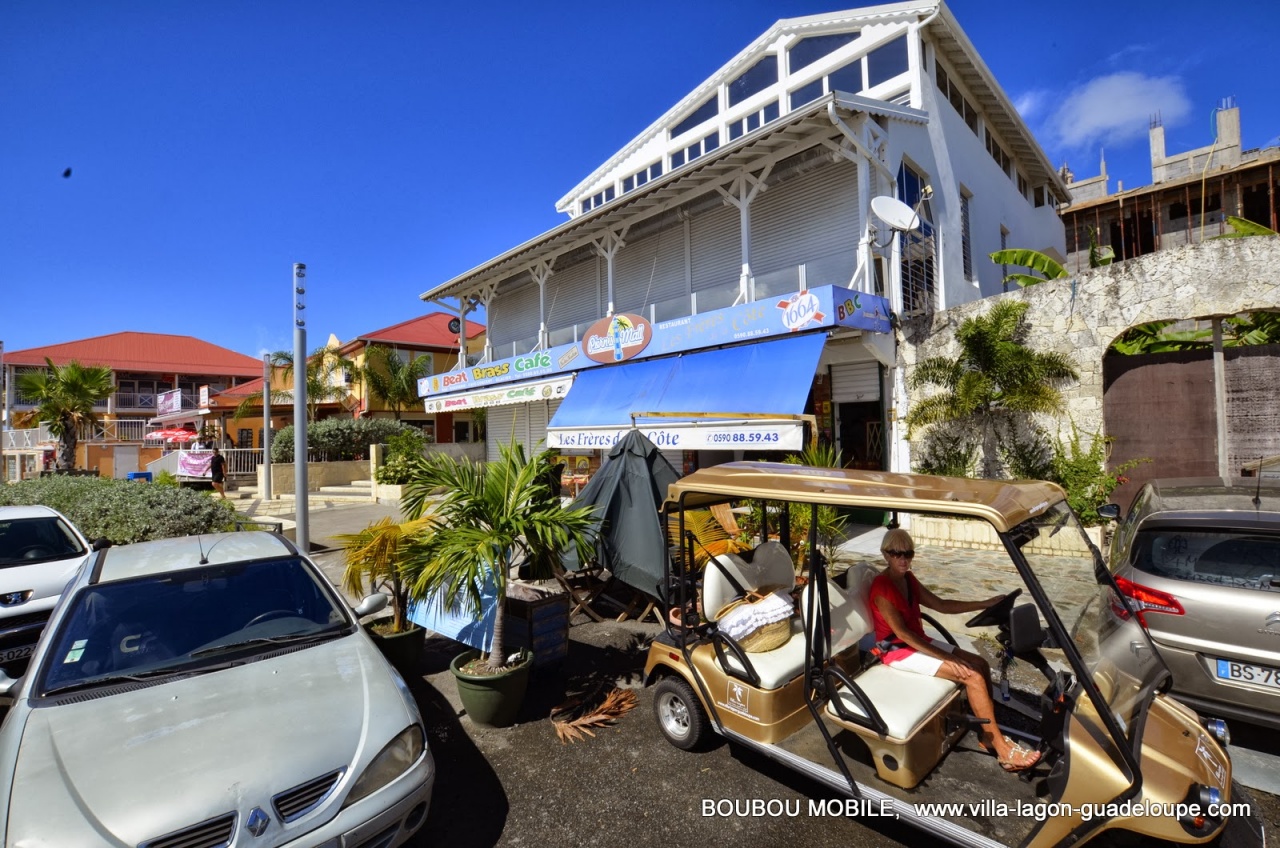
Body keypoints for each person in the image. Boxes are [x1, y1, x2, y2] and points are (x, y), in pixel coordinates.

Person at [868, 528, 1040, 773]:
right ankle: (1002, 750)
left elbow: (941, 605)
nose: (903, 559)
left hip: (917, 641)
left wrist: (984, 603)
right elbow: (902, 634)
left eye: (908, 553)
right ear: (885, 555)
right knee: (972, 676)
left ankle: (988, 734)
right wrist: (946, 656)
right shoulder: (882, 588)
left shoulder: (908, 579)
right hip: (897, 651)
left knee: (979, 662)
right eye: (896, 554)